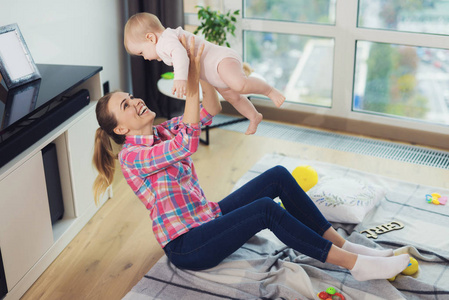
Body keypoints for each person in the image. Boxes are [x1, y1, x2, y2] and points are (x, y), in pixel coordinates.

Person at [92, 35, 410, 282]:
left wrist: (200, 68)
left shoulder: (163, 131)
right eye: (125, 105)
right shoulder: (133, 157)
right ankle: (355, 265)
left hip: (207, 217)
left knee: (278, 176)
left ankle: (345, 246)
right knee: (265, 210)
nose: (135, 102)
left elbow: (210, 111)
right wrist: (186, 74)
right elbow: (186, 146)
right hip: (187, 245)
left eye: (130, 96)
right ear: (120, 128)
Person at [123, 12, 286, 135]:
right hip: (214, 74)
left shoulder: (165, 40)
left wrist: (180, 79)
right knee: (233, 97)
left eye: (141, 52)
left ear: (150, 38)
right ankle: (254, 116)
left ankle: (270, 90)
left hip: (221, 60)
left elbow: (180, 54)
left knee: (239, 85)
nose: (144, 57)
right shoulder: (165, 46)